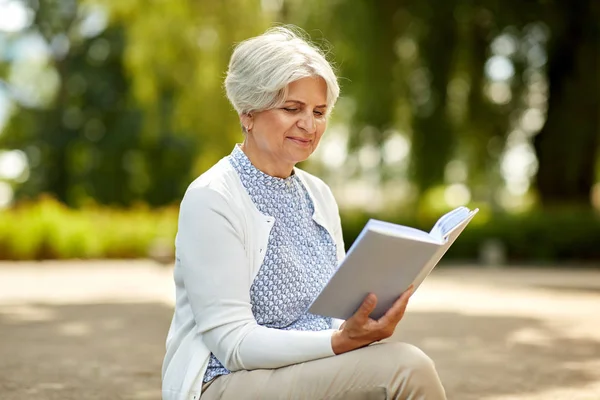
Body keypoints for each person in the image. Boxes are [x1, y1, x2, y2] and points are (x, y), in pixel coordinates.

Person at [161, 26, 447, 400]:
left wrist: (365, 320)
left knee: (393, 364)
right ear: (248, 112)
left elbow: (337, 314)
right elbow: (234, 344)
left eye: (319, 111)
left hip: (310, 370)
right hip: (228, 382)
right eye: (292, 108)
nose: (309, 125)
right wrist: (339, 342)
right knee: (407, 368)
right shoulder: (213, 197)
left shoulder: (319, 195)